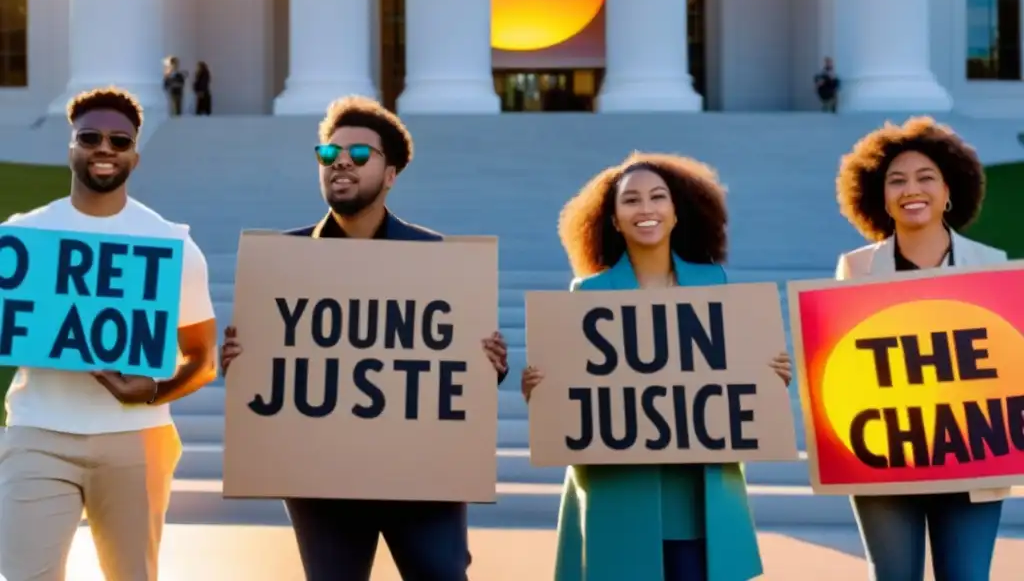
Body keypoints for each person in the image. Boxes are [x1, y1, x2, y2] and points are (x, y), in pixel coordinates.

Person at [219, 95, 509, 581]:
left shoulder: (436, 258)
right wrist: (242, 360)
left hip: (422, 476)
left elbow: (453, 369)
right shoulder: (281, 259)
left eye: (358, 155)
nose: (341, 165)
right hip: (322, 476)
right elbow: (274, 366)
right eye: (329, 155)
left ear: (390, 174)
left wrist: (487, 364)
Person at [521, 152, 793, 581]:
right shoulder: (588, 293)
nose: (646, 209)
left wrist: (769, 375)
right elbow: (573, 398)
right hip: (619, 493)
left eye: (657, 197)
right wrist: (541, 387)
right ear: (612, 219)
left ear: (676, 211)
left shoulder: (715, 284)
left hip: (697, 497)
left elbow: (739, 381)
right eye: (630, 200)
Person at [0, 87, 218, 581]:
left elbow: (202, 360)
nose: (104, 148)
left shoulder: (171, 246)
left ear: (135, 157)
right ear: (71, 147)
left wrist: (154, 391)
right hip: (39, 433)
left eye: (119, 141)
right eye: (90, 137)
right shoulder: (24, 237)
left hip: (136, 440)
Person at [835, 117, 1007, 581]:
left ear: (949, 191)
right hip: (886, 456)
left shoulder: (992, 266)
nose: (912, 189)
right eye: (897, 181)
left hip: (973, 456)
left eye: (925, 177)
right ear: (880, 197)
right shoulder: (855, 268)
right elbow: (839, 361)